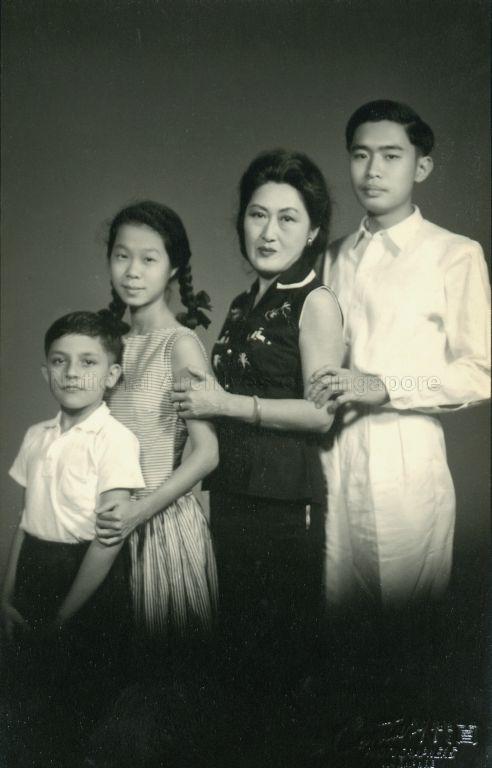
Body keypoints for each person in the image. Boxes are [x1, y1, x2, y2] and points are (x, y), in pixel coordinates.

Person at [310, 100, 491, 608]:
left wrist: (389, 386)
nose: (373, 170)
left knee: (402, 623)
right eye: (360, 155)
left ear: (422, 166)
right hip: (332, 455)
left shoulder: (454, 254)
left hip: (404, 458)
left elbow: (480, 372)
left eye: (391, 156)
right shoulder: (331, 257)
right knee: (331, 610)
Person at [171, 150, 344, 673]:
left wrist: (224, 403)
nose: (268, 232)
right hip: (230, 492)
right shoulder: (241, 303)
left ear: (313, 232)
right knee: (236, 648)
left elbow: (321, 414)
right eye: (257, 214)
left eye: (288, 218)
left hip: (283, 501)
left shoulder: (315, 302)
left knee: (277, 656)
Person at [95, 200, 219, 645]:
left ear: (173, 269)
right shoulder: (107, 346)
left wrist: (138, 513)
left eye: (149, 259)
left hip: (159, 527)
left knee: (163, 672)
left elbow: (207, 453)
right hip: (109, 525)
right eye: (122, 256)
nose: (132, 271)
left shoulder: (180, 346)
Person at [2, 310, 145, 641]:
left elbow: (108, 541)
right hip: (33, 567)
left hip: (87, 576)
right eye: (59, 361)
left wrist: (62, 619)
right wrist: (5, 597)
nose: (71, 373)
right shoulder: (36, 435)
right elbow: (24, 522)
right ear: (46, 372)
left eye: (88, 362)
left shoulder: (115, 439)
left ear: (112, 375)